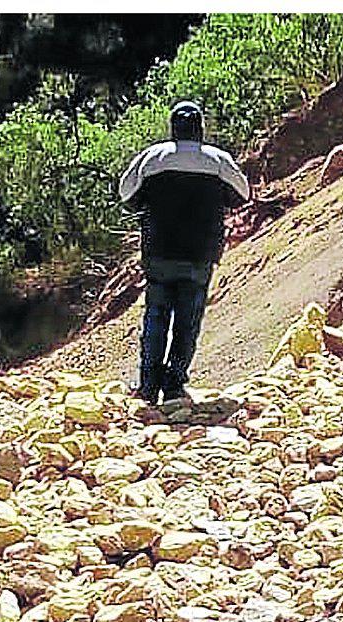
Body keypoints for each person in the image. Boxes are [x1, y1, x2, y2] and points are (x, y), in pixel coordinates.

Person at [118, 101, 250, 404]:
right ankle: (175, 384)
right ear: (201, 129)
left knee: (155, 316)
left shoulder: (153, 157)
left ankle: (148, 386)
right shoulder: (218, 160)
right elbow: (243, 194)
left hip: (159, 252)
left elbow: (126, 193)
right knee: (188, 321)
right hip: (200, 254)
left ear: (172, 128)